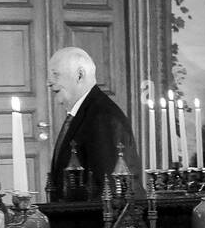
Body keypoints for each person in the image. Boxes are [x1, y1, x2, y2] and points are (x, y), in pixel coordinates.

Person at [46, 47, 141, 198]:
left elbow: (108, 189)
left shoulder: (103, 117)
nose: (48, 83)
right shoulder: (85, 112)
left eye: (55, 74)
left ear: (80, 75)